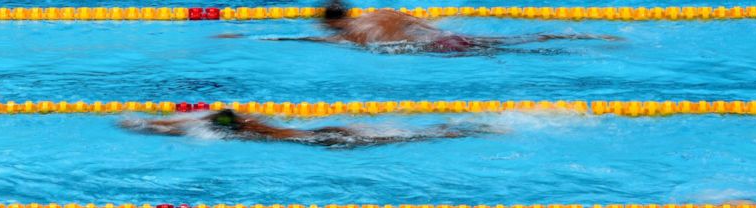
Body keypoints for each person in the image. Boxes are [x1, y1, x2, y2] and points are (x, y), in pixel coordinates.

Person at [218, 0, 621, 54]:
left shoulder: (345, 35)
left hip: (436, 49)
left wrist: (247, 35)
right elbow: (427, 24)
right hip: (440, 36)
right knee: (512, 39)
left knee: (503, 50)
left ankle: (563, 43)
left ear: (329, 24)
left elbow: (298, 38)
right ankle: (586, 35)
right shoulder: (385, 13)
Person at [120, 108, 495, 148]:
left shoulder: (232, 128)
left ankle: (455, 131)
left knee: (409, 138)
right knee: (408, 135)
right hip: (323, 132)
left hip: (322, 140)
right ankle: (453, 129)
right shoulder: (245, 125)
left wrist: (146, 125)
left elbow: (186, 126)